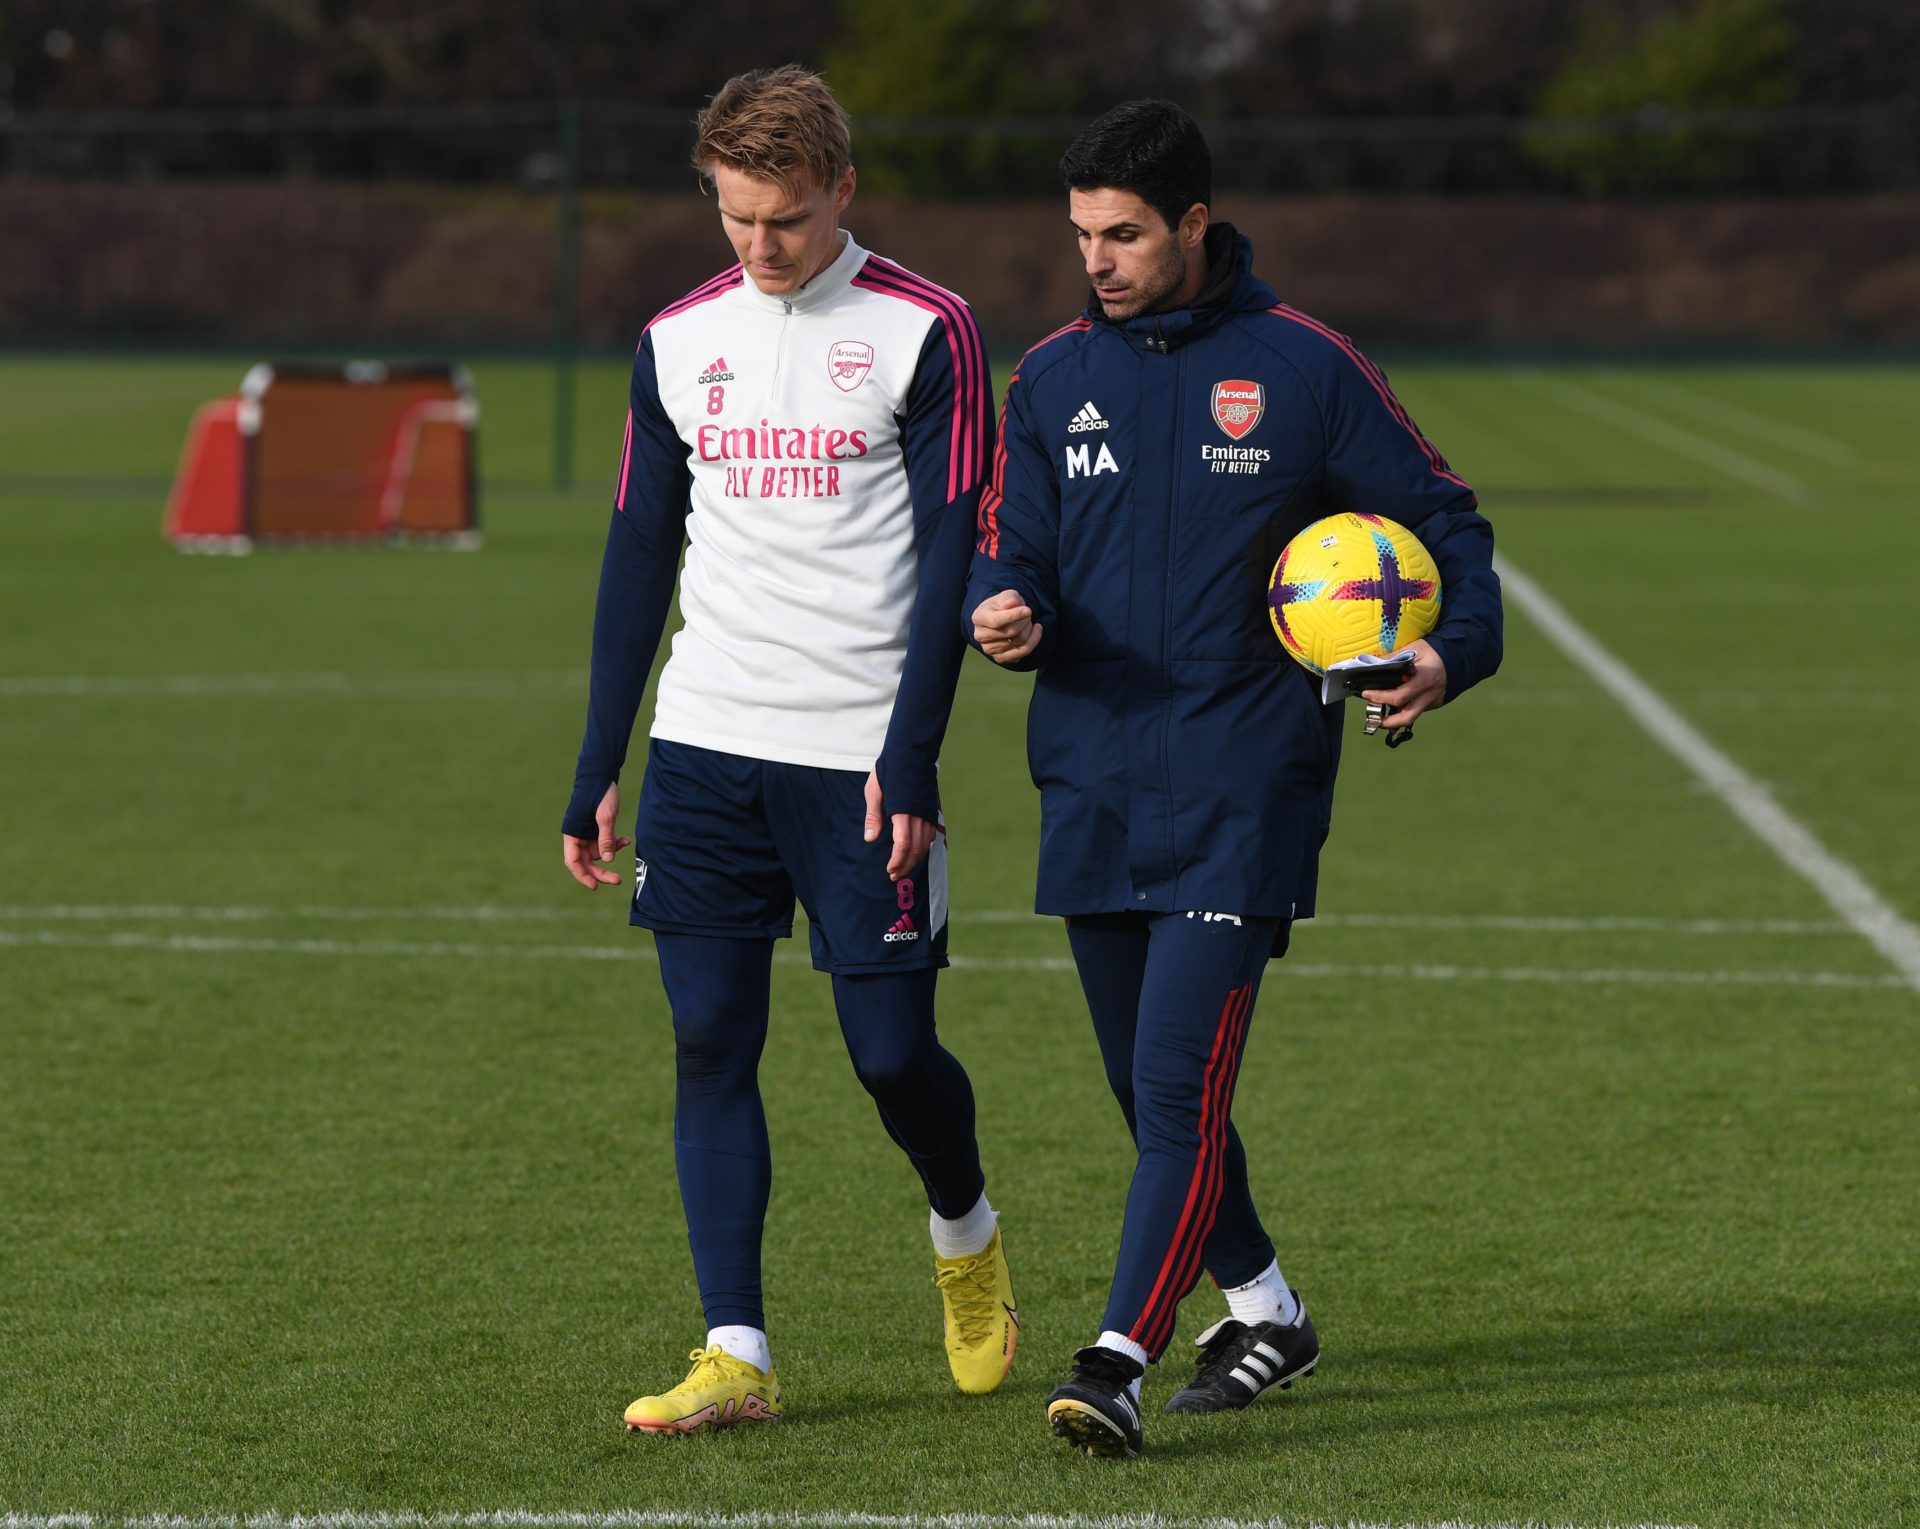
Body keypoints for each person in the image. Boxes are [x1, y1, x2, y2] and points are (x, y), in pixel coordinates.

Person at [966, 99, 1502, 1458]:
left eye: (1127, 233)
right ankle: (1263, 1303)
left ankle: (1118, 1357)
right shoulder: (1051, 380)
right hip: (1088, 775)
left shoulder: (1307, 367)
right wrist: (1003, 604)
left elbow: (1448, 520)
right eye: (1084, 232)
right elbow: (1005, 544)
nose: (1099, 256)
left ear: (1194, 224)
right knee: (1157, 1097)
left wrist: (1447, 651)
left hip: (1242, 784)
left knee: (1171, 1086)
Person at [561, 65, 1014, 1435]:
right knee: (709, 1035)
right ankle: (735, 1350)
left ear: (844, 193)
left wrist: (917, 751)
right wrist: (598, 756)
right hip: (707, 742)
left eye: (791, 221)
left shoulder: (925, 332)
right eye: (739, 218)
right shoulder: (674, 339)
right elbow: (642, 548)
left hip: (862, 757)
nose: (762, 248)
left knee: (889, 1053)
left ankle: (965, 1226)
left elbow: (952, 558)